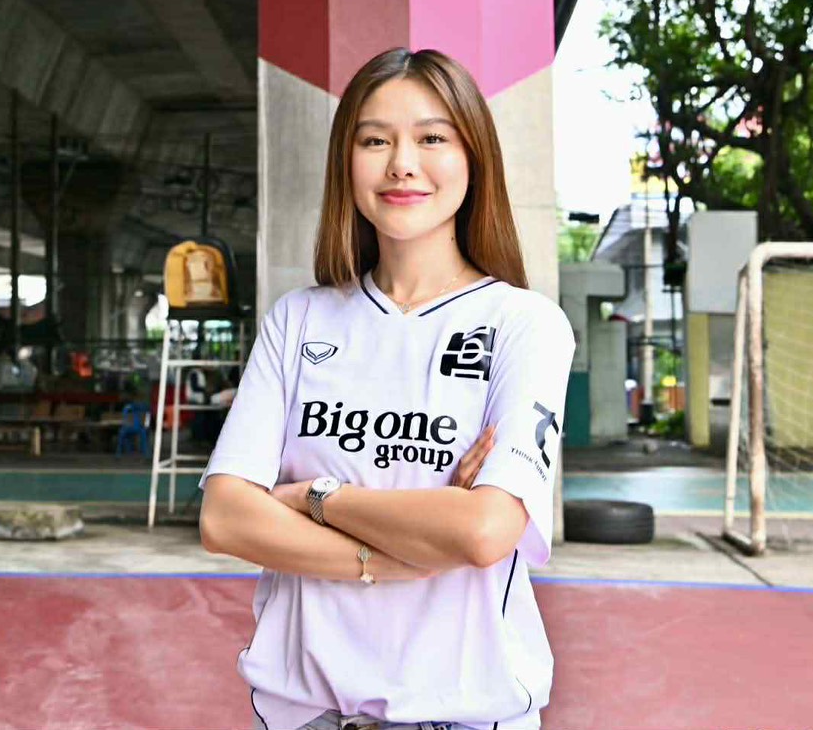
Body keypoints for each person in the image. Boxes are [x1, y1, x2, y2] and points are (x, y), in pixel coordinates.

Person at [200, 48, 575, 730]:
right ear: (346, 162)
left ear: (474, 158)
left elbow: (484, 530)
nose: (402, 163)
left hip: (459, 716)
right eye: (375, 141)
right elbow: (225, 519)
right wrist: (385, 556)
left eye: (432, 138)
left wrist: (312, 498)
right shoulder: (299, 319)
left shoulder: (525, 325)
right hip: (305, 715)